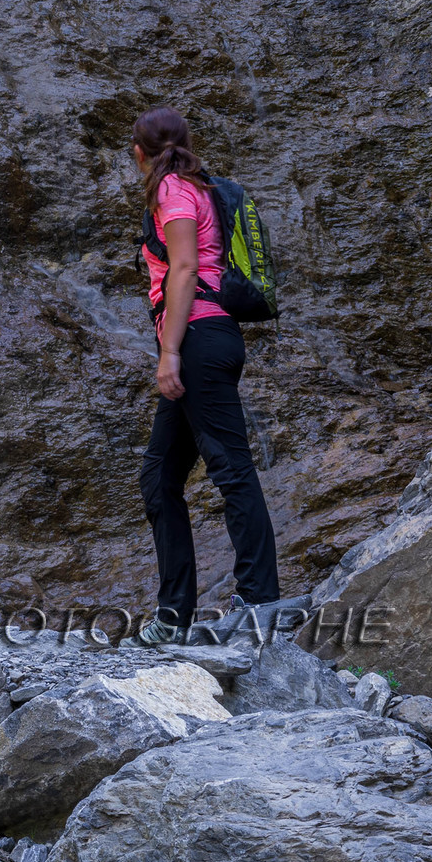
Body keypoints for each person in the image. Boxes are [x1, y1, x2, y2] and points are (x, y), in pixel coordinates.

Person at [132, 105, 280, 645]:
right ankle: (174, 616)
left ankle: (260, 600)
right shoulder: (202, 186)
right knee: (159, 476)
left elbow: (186, 267)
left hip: (196, 338)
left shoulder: (172, 189)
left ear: (140, 152)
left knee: (231, 468)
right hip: (212, 337)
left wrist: (169, 351)